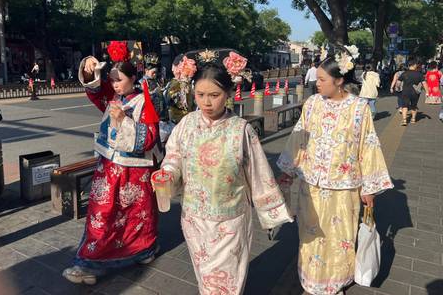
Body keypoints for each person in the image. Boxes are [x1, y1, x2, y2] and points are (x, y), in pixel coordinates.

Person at [153, 49, 293, 294]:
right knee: (205, 277)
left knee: (228, 280)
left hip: (231, 220)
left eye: (215, 95)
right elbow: (174, 156)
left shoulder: (241, 130)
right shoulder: (186, 124)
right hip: (194, 217)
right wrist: (168, 173)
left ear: (228, 94)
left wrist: (269, 211)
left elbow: (258, 172)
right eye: (200, 94)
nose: (207, 102)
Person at [277, 47, 393, 295]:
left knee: (341, 236)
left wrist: (370, 188)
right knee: (311, 234)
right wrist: (288, 169)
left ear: (339, 81)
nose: (316, 84)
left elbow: (368, 146)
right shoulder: (312, 104)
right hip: (312, 184)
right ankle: (311, 279)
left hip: (345, 185)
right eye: (317, 79)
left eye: (322, 80)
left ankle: (335, 282)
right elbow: (299, 138)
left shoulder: (359, 108)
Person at [62, 41, 162, 285]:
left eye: (119, 79)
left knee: (136, 215)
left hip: (135, 171)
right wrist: (88, 67)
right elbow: (95, 89)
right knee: (101, 213)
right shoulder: (112, 98)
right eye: (112, 79)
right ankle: (88, 262)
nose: (115, 84)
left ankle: (144, 249)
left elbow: (149, 139)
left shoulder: (145, 101)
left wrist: (124, 122)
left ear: (133, 77)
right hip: (108, 168)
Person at [398, 59, 429, 125]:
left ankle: (404, 120)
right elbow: (424, 83)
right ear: (415, 65)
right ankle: (413, 119)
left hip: (405, 92)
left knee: (404, 106)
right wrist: (427, 92)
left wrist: (397, 88)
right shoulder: (419, 74)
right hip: (415, 93)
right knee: (414, 106)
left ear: (408, 65)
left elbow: (398, 82)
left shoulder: (404, 73)